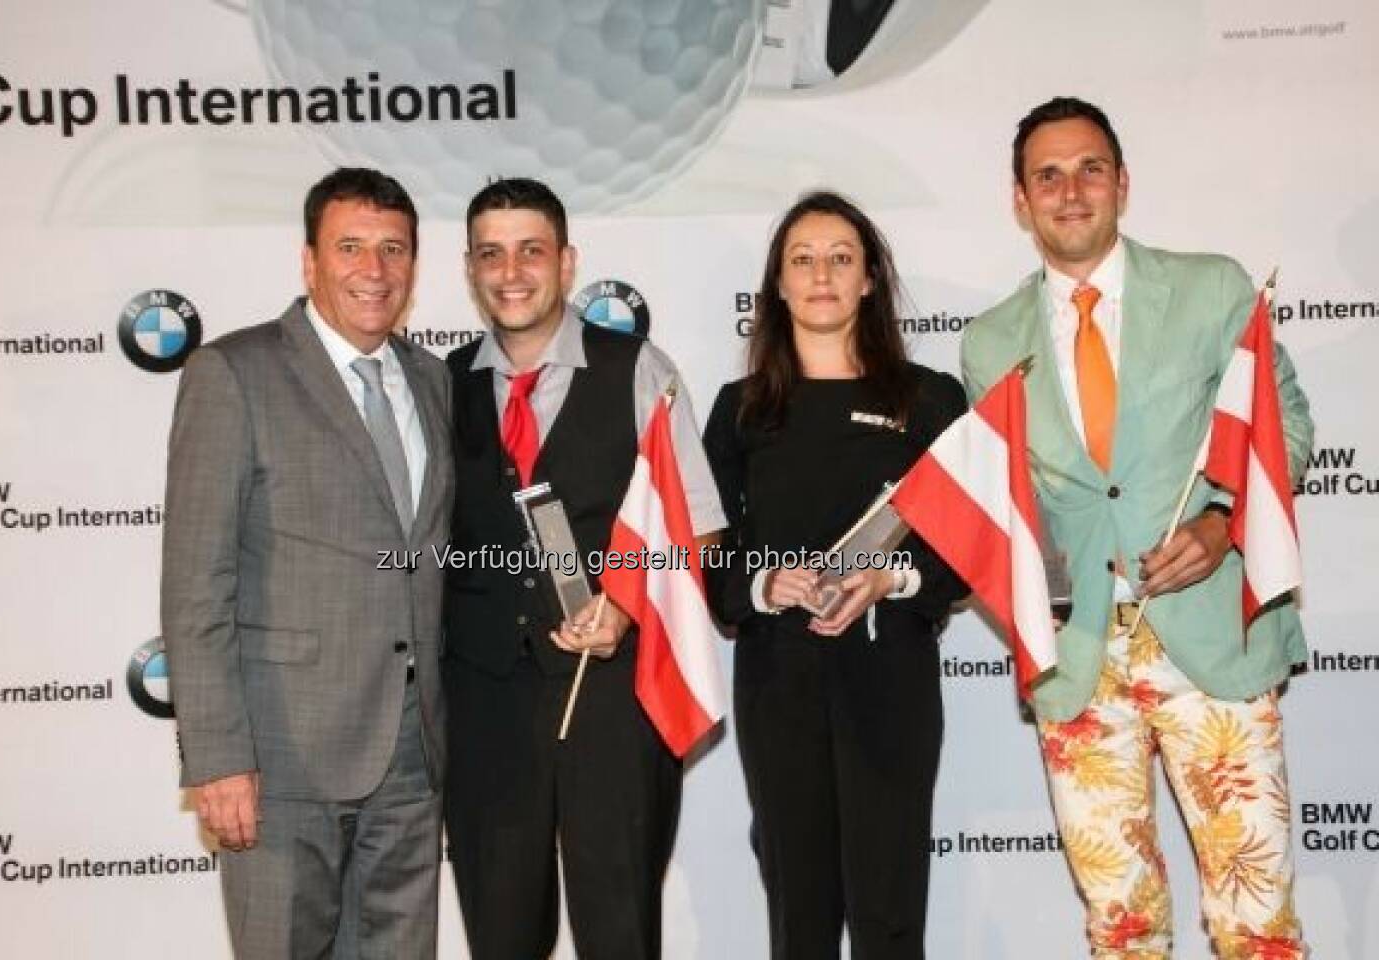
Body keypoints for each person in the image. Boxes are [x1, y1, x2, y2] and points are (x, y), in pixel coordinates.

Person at [961, 97, 1312, 958]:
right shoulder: (987, 343)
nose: (1069, 191)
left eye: (1088, 169)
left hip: (1212, 643)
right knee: (1120, 929)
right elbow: (1002, 509)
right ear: (1020, 200)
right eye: (1047, 175)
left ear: (1122, 182)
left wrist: (1226, 522)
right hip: (1079, 662)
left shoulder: (1210, 287)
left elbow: (1287, 426)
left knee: (1255, 922)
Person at [161, 168, 452, 958]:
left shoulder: (432, 382)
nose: (374, 270)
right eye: (351, 246)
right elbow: (196, 586)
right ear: (308, 261)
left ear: (414, 267)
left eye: (394, 249)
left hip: (411, 757)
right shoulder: (234, 374)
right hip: (280, 759)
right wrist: (218, 757)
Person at [442, 177, 726, 960]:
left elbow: (693, 530)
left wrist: (629, 610)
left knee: (620, 932)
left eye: (531, 250)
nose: (512, 271)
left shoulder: (639, 368)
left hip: (613, 700)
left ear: (566, 262)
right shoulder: (439, 385)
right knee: (500, 937)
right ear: (470, 268)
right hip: (485, 707)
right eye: (491, 253)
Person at [702, 191, 969, 959]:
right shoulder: (739, 410)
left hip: (889, 681)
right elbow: (709, 563)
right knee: (801, 916)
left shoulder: (930, 402)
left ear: (869, 280)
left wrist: (893, 582)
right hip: (778, 686)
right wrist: (762, 583)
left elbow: (962, 557)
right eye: (803, 259)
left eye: (841, 258)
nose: (822, 274)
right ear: (778, 286)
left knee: (889, 915)